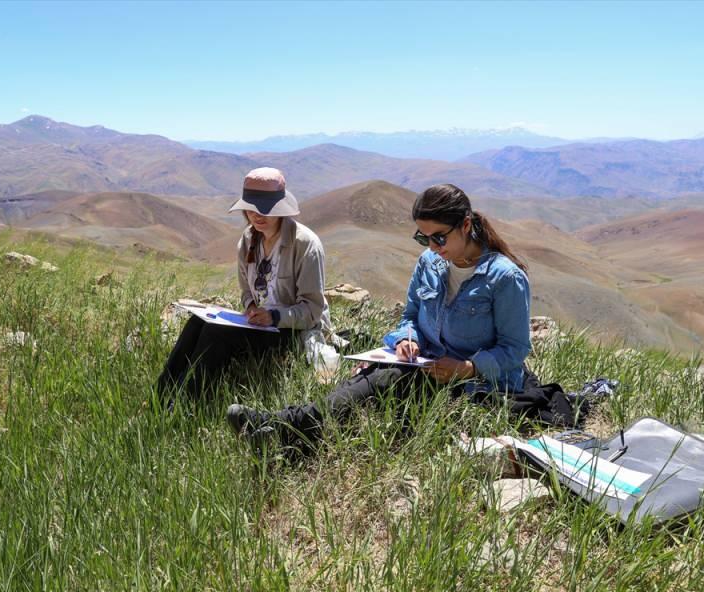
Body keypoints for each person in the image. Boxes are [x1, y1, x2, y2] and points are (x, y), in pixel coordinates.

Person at [226, 183, 531, 451]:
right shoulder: (429, 263)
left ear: (466, 225)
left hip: (475, 387)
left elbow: (515, 350)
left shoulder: (505, 279)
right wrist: (407, 340)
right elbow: (410, 316)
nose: (433, 248)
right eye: (424, 239)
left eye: (439, 238)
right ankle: (287, 435)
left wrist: (468, 367)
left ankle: (283, 428)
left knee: (382, 383)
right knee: (370, 379)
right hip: (427, 366)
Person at [157, 167, 332, 403]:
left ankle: (189, 403)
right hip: (260, 326)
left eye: (265, 209)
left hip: (291, 332)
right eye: (251, 209)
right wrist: (250, 306)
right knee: (197, 322)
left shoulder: (305, 245)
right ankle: (161, 394)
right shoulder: (248, 240)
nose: (257, 215)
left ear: (280, 210)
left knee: (216, 332)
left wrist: (273, 317)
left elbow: (312, 311)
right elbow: (247, 292)